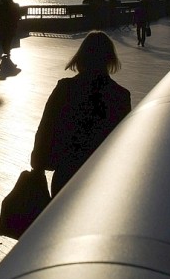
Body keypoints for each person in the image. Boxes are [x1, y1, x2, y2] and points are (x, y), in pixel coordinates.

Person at [30, 31, 131, 197]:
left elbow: (46, 130)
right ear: (109, 59)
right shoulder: (120, 96)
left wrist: (38, 164)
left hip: (67, 174)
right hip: (103, 179)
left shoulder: (65, 89)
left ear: (81, 57)